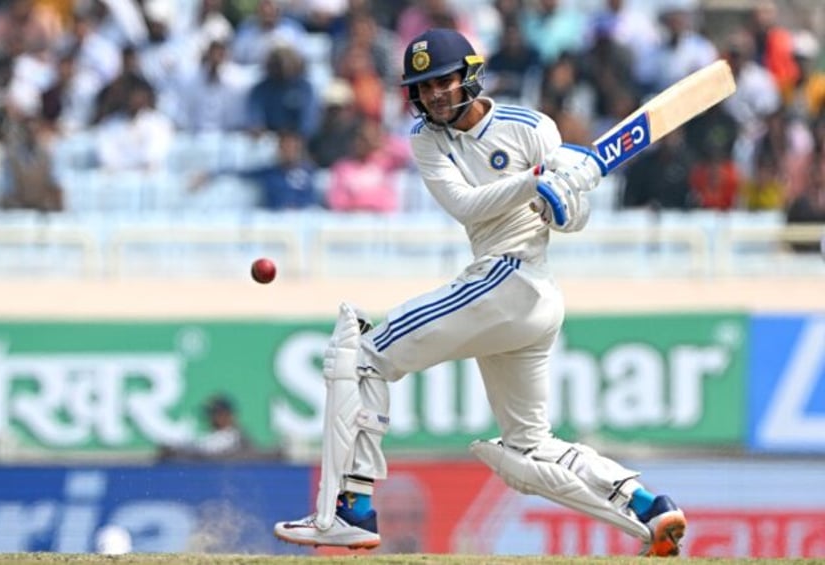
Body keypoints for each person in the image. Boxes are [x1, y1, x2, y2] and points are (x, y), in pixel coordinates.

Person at [273, 28, 687, 557]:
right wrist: (535, 181)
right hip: (513, 295)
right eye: (423, 87)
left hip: (514, 278)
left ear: (469, 75)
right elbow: (466, 205)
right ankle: (647, 506)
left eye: (444, 80)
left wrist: (560, 202)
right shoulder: (427, 139)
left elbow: (574, 215)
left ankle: (347, 510)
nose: (435, 95)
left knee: (363, 354)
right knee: (527, 449)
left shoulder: (531, 126)